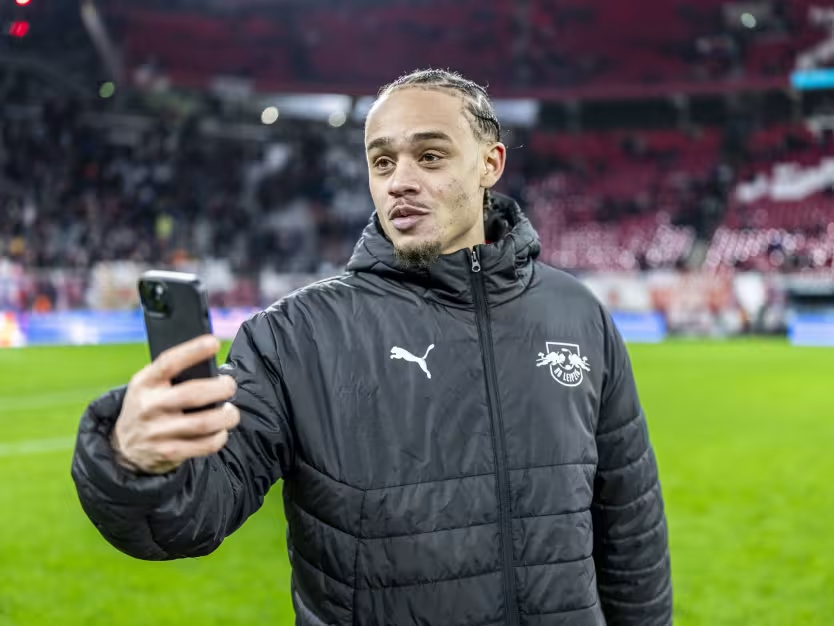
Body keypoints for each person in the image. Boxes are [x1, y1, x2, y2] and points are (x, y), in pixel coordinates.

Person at [71, 69, 672, 626]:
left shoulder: (577, 313)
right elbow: (193, 513)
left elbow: (630, 525)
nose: (399, 181)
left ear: (490, 164)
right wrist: (135, 462)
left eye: (430, 156)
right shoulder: (295, 336)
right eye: (382, 161)